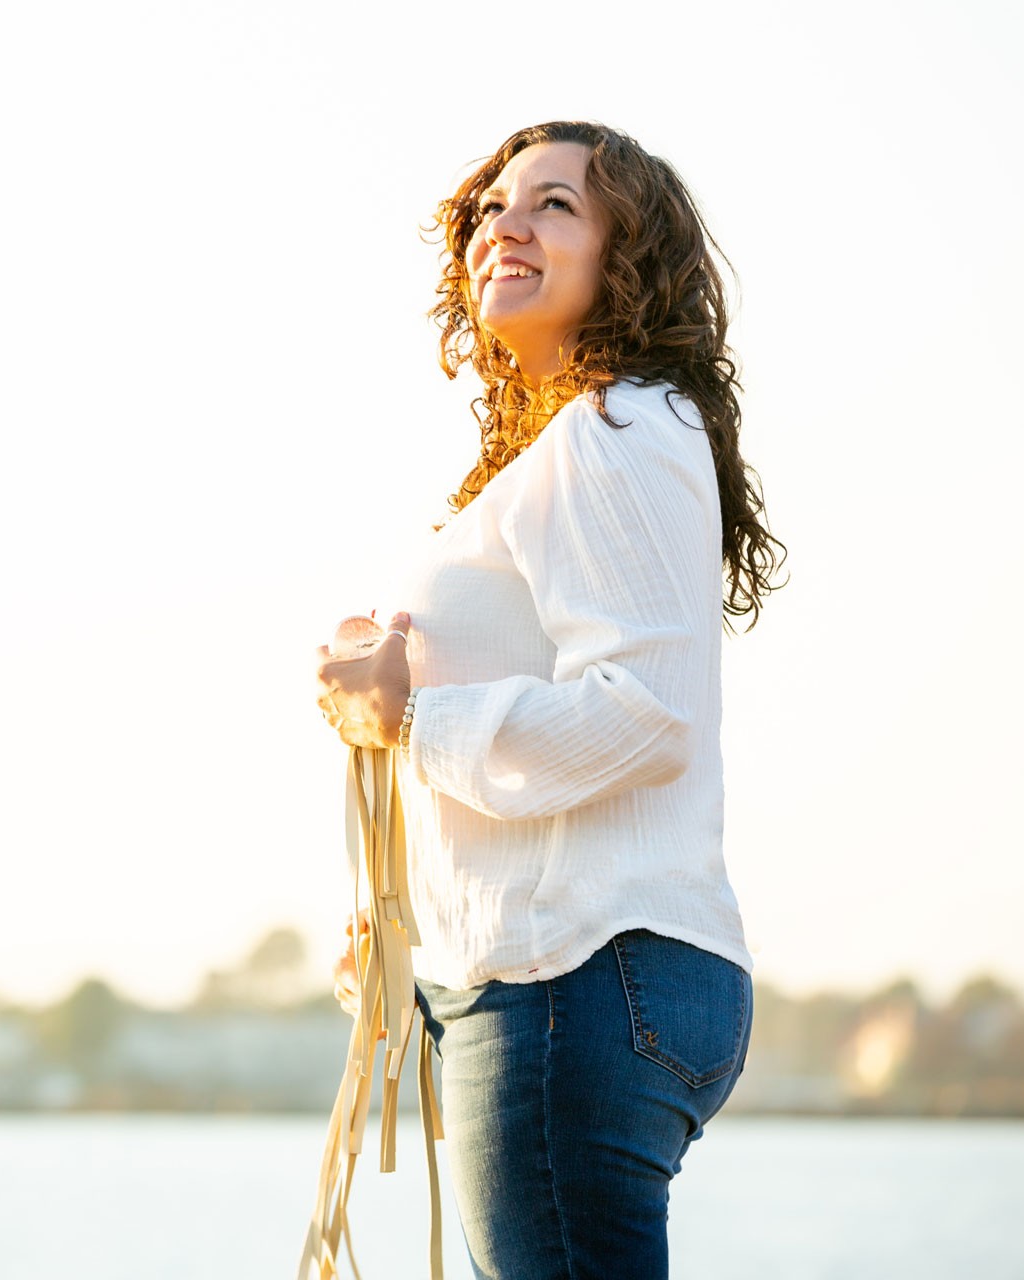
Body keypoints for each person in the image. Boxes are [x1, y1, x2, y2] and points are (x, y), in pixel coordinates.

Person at [312, 121, 785, 1279]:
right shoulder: (583, 447)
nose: (504, 226)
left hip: (577, 983)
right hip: (577, 982)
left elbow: (644, 712)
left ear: (625, 254)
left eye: (555, 205)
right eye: (490, 209)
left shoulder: (614, 429)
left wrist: (411, 718)